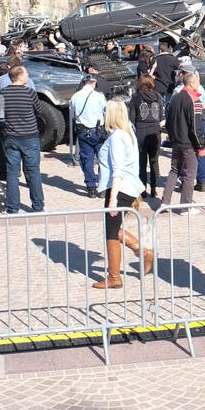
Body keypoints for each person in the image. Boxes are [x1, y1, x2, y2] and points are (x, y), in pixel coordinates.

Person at [91, 99, 152, 289]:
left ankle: (115, 276)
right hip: (127, 186)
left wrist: (112, 199)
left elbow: (117, 169)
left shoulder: (117, 136)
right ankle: (141, 252)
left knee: (111, 231)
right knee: (113, 228)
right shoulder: (128, 131)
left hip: (120, 188)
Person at [0, 64, 46, 214]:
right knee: (33, 172)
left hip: (11, 137)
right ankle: (38, 206)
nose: (28, 76)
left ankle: (12, 208)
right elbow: (40, 110)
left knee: (12, 173)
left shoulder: (4, 93)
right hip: (30, 137)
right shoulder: (30, 93)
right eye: (26, 74)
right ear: (19, 76)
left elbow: (0, 112)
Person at [160, 70, 204, 210]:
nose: (199, 84)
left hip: (176, 141)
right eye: (197, 81)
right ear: (191, 83)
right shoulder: (194, 100)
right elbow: (196, 127)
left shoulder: (174, 98)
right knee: (190, 174)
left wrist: (172, 138)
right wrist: (201, 146)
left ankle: (164, 203)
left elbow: (168, 121)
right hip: (189, 143)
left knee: (174, 171)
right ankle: (185, 207)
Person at [71, 74, 108, 199]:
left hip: (82, 130)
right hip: (98, 131)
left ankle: (91, 188)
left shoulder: (75, 97)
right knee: (103, 159)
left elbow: (73, 115)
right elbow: (105, 111)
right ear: (94, 83)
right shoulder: (99, 96)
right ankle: (102, 188)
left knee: (87, 160)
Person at [129, 75, 164, 198]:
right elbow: (161, 117)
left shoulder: (136, 98)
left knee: (142, 162)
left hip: (141, 132)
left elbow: (132, 118)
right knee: (154, 161)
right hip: (155, 132)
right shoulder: (158, 97)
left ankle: (142, 189)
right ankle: (154, 188)